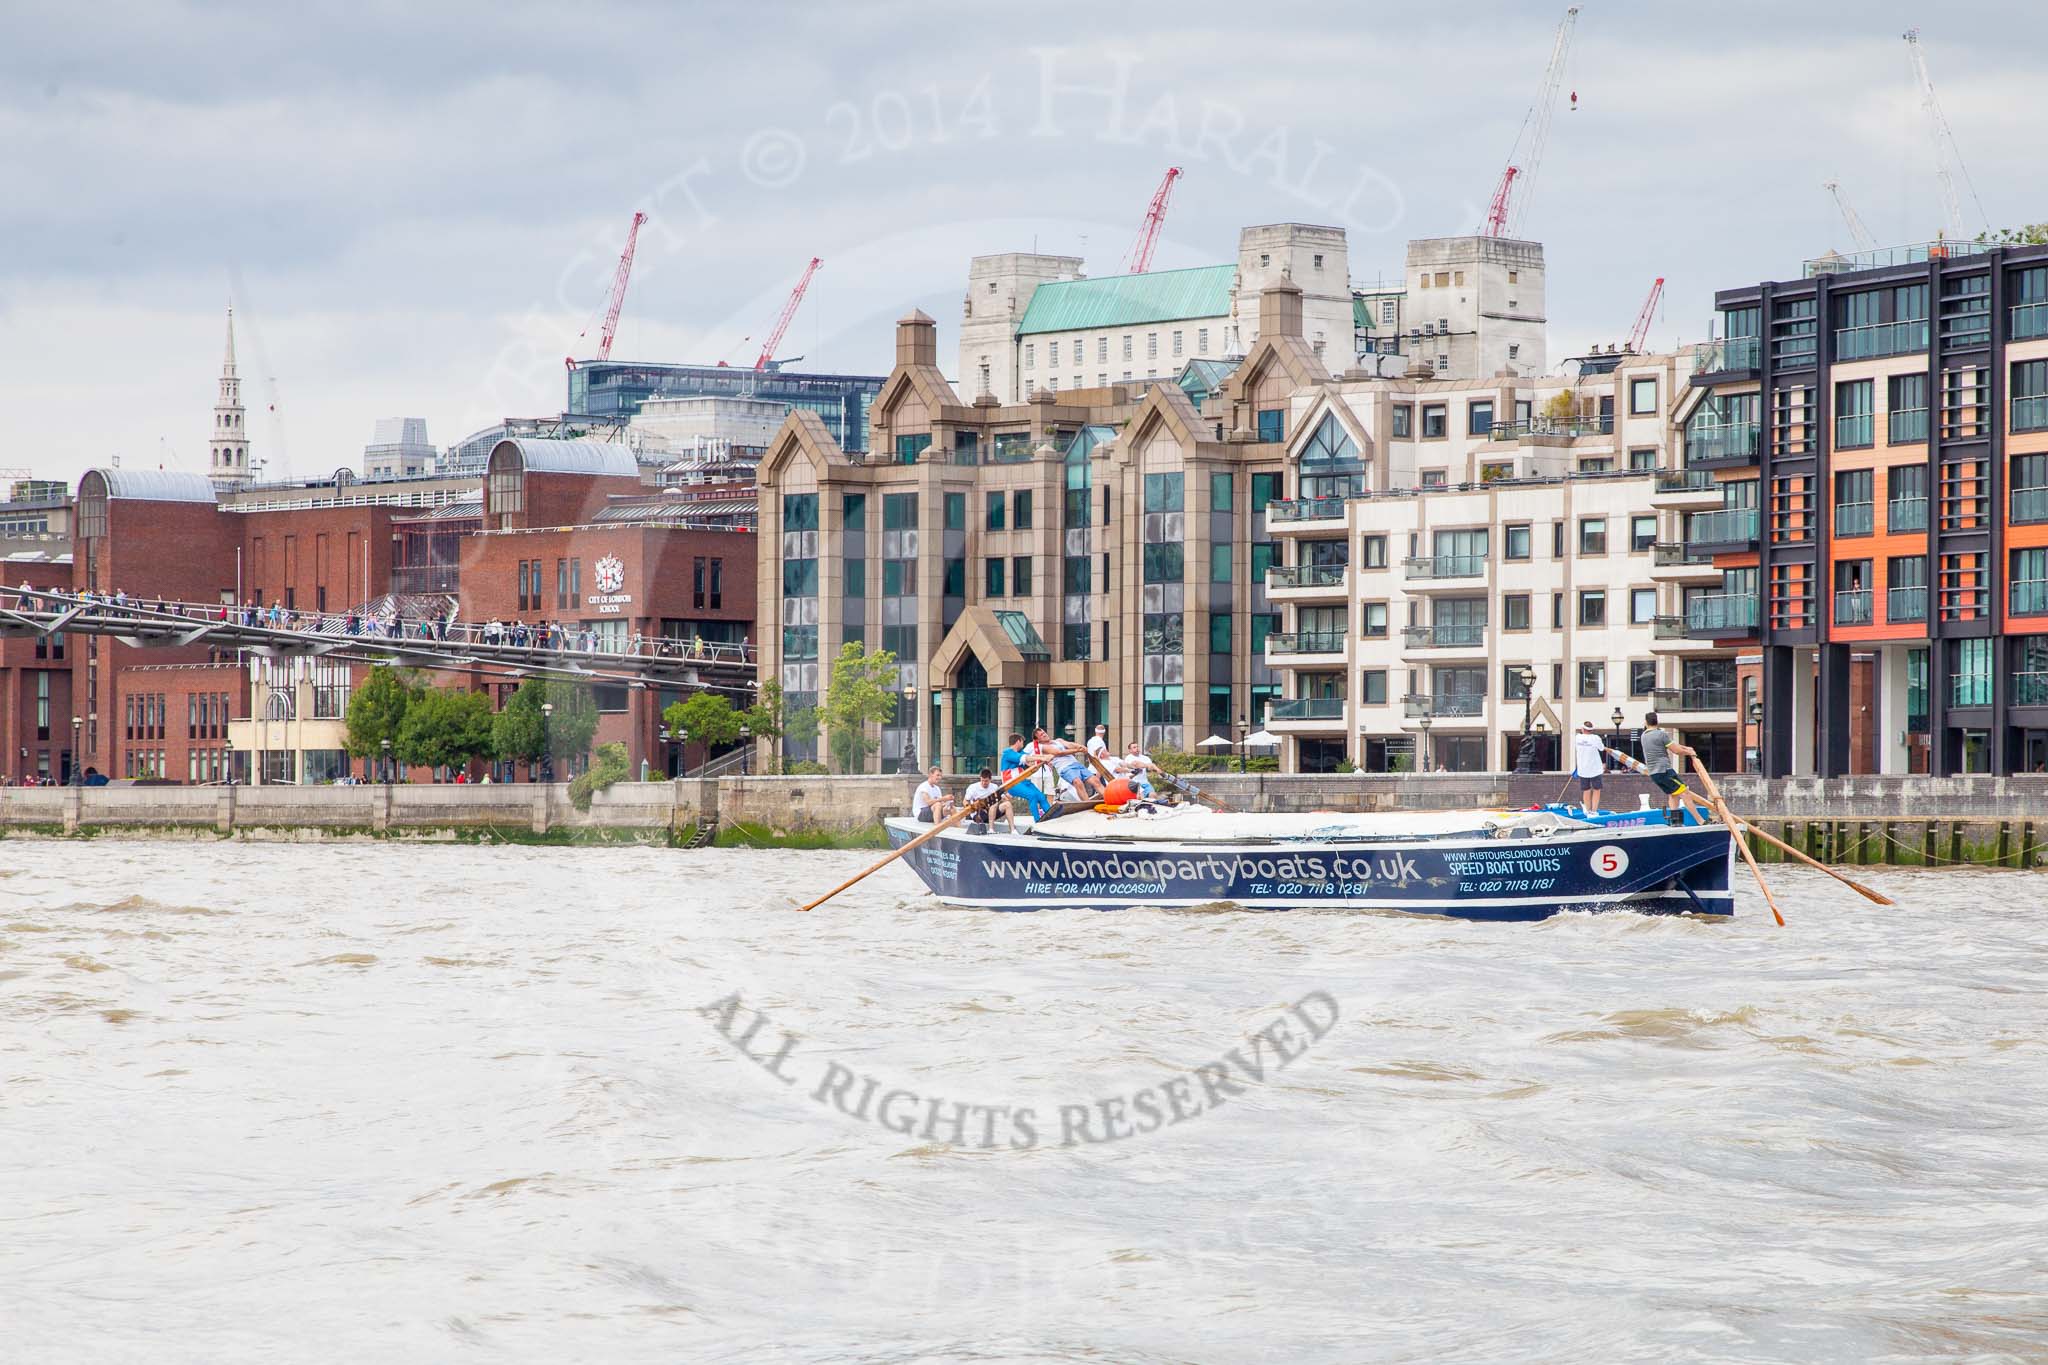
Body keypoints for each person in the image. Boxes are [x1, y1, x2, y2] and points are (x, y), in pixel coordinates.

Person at [1637, 711, 1711, 826]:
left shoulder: (1644, 736)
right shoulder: (1661, 734)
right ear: (1657, 722)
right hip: (1664, 770)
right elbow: (1676, 750)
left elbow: (1674, 746)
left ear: (1646, 722)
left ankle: (1675, 822)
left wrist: (1686, 748)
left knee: (1673, 794)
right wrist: (1690, 752)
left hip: (1654, 774)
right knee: (1685, 792)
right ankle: (1701, 821)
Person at [999, 732, 1051, 822]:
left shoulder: (1020, 752)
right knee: (1032, 796)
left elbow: (1031, 758)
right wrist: (1043, 758)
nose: (1023, 744)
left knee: (1041, 797)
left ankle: (1053, 819)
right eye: (1022, 742)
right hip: (1011, 783)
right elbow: (1026, 758)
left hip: (1022, 781)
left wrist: (1043, 758)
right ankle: (1037, 822)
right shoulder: (1007, 752)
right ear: (1018, 741)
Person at [1570, 718, 1607, 814]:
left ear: (1583, 729)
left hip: (1583, 768)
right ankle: (1594, 811)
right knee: (1596, 789)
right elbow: (1602, 748)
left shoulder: (1577, 737)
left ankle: (1587, 810)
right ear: (1591, 730)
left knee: (1586, 790)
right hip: (1595, 768)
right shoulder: (1596, 738)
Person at [960, 767, 1013, 833]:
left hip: (992, 812)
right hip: (979, 814)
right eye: (982, 780)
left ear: (990, 780)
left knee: (1007, 804)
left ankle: (1013, 830)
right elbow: (965, 801)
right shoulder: (973, 787)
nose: (984, 783)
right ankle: (991, 829)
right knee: (993, 803)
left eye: (986, 781)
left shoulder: (994, 787)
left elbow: (1005, 799)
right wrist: (969, 807)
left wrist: (1008, 797)